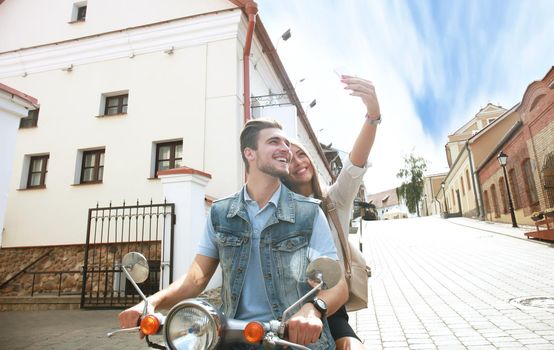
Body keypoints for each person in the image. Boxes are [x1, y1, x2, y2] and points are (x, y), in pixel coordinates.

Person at [119, 119, 348, 349]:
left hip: (295, 343)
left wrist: (313, 309)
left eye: (286, 143)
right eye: (274, 141)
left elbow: (337, 286)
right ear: (250, 153)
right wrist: (150, 303)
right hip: (233, 341)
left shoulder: (309, 213)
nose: (285, 149)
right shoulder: (220, 212)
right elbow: (195, 279)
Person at [282, 75, 380, 350]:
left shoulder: (334, 200)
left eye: (301, 154)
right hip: (284, 305)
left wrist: (372, 115)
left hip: (330, 303)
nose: (298, 162)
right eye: (288, 159)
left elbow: (354, 163)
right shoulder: (279, 208)